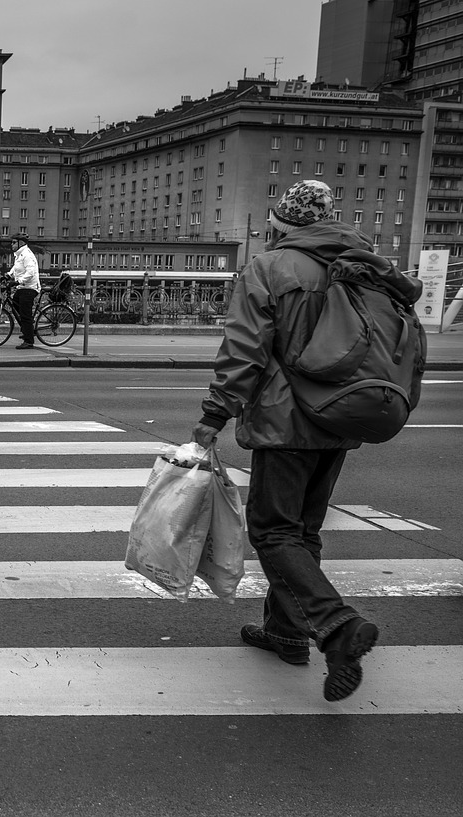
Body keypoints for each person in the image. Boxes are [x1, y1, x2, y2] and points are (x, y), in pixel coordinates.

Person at [191, 179, 380, 702]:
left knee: (274, 531)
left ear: (282, 223)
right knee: (304, 529)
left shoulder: (271, 267)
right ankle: (286, 631)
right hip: (342, 416)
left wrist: (214, 414)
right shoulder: (362, 263)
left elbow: (246, 349)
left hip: (285, 420)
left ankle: (336, 627)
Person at [6, 234, 42, 349]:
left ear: (20, 243)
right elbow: (17, 267)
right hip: (22, 287)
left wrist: (18, 281)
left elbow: (30, 272)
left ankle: (29, 341)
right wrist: (9, 275)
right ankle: (28, 329)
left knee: (25, 315)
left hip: (30, 288)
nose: (11, 244)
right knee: (15, 306)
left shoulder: (27, 255)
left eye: (13, 242)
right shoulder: (19, 255)